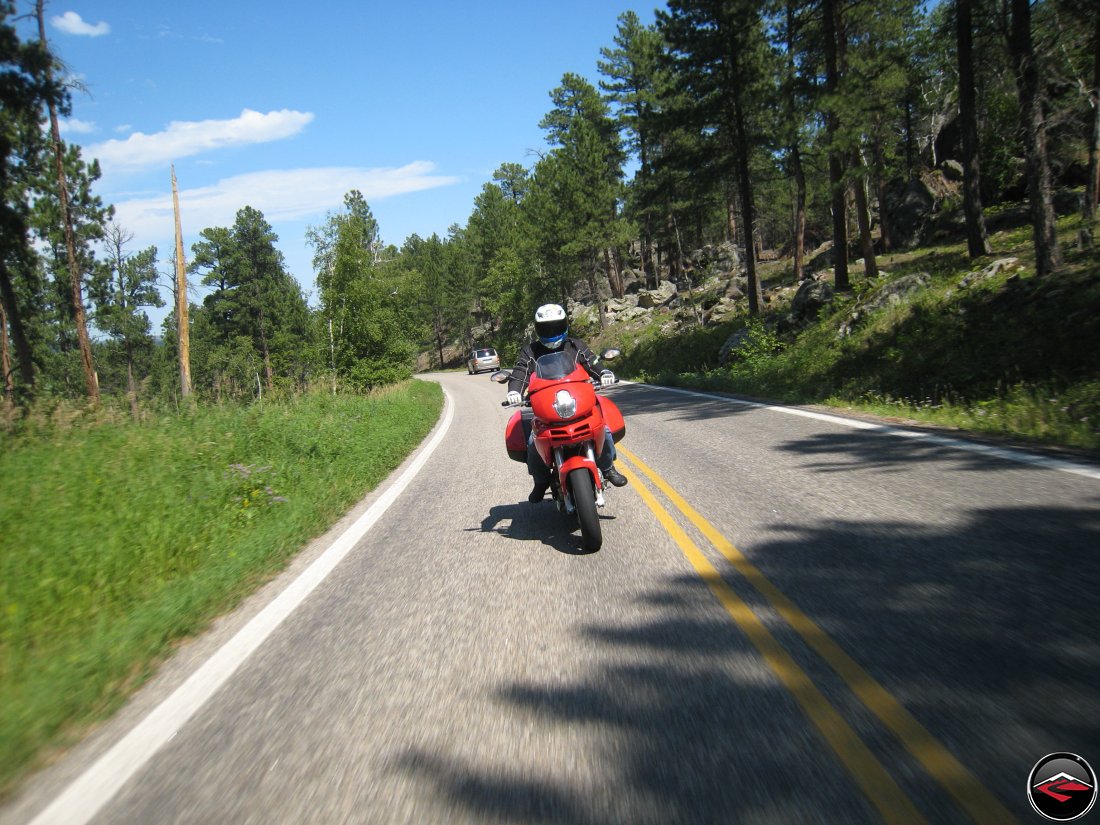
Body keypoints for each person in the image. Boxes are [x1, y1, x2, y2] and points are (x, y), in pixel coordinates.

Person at [506, 303, 629, 503]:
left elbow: (591, 362)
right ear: (538, 329)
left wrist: (604, 372)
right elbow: (521, 371)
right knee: (532, 441)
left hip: (577, 402)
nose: (552, 332)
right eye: (547, 328)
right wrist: (514, 391)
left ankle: (607, 468)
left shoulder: (575, 346)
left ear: (564, 325)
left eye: (555, 326)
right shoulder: (530, 351)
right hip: (547, 408)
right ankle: (541, 481)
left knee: (603, 429)